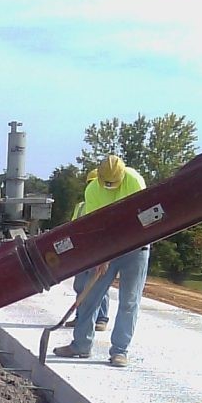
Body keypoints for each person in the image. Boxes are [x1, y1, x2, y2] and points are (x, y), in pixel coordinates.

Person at [53, 154, 148, 367]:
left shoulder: (134, 181)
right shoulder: (93, 190)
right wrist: (101, 255)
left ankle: (120, 351)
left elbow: (140, 220)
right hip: (107, 246)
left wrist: (115, 249)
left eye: (113, 183)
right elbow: (98, 226)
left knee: (129, 302)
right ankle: (81, 345)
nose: (109, 187)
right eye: (106, 183)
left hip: (136, 246)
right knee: (90, 296)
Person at [66, 168, 110, 332]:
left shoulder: (107, 205)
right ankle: (81, 317)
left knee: (98, 287)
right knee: (80, 286)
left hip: (98, 252)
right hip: (82, 253)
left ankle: (101, 318)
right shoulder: (81, 206)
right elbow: (72, 228)